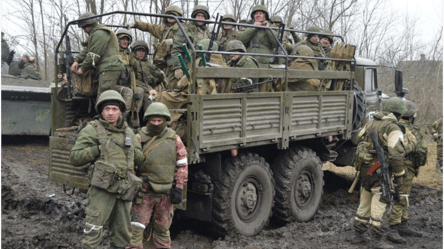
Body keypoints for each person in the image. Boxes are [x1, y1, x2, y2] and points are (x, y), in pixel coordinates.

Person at [69, 90, 143, 249]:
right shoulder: (92, 130)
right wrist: (97, 149)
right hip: (101, 190)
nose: (111, 113)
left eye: (114, 109)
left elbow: (139, 158)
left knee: (122, 235)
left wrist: (132, 151)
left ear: (120, 111)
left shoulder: (128, 132)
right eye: (107, 109)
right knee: (93, 231)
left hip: (123, 189)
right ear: (101, 111)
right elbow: (75, 157)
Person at [126, 102, 188, 249]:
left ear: (165, 121)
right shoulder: (139, 137)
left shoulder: (174, 139)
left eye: (159, 121)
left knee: (162, 229)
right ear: (148, 120)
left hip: (166, 193)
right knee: (135, 230)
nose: (156, 123)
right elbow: (130, 164)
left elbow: (183, 164)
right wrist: (133, 187)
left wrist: (179, 187)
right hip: (144, 191)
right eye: (153, 120)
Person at [351, 97, 407, 249]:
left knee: (364, 201)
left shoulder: (371, 122)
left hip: (365, 170)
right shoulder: (393, 127)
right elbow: (396, 155)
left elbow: (357, 139)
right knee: (381, 202)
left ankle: (358, 235)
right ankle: (376, 239)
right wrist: (399, 174)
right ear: (399, 114)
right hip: (380, 171)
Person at [71, 12, 127, 110]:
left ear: (91, 24)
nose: (84, 30)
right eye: (82, 28)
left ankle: (104, 120)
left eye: (85, 27)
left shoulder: (100, 33)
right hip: (107, 67)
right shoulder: (95, 34)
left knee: (104, 97)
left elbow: (94, 54)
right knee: (105, 94)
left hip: (109, 67)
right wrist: (77, 60)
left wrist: (83, 68)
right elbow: (88, 49)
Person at [386, 100, 424, 244]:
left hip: (409, 168)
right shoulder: (402, 129)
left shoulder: (403, 128)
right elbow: (401, 150)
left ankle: (403, 223)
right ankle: (394, 228)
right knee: (400, 197)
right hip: (404, 168)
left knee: (404, 196)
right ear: (412, 115)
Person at [126, 5, 187, 90]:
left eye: (174, 15)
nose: (171, 17)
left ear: (179, 17)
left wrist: (173, 41)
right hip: (164, 62)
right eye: (169, 14)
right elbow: (149, 27)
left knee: (176, 86)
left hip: (178, 62)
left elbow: (188, 41)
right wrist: (136, 24)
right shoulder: (163, 29)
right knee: (164, 84)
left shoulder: (184, 29)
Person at [237, 4, 277, 92]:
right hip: (250, 60)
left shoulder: (272, 28)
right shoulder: (248, 27)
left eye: (260, 13)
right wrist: (253, 27)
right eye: (256, 14)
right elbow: (240, 40)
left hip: (265, 62)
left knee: (264, 89)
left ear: (265, 16)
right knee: (247, 86)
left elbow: (276, 43)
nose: (257, 15)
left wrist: (267, 28)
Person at [132, 40, 166, 122]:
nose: (141, 53)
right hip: (136, 87)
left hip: (149, 89)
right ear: (135, 51)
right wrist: (146, 87)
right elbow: (131, 78)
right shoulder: (132, 62)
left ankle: (151, 122)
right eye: (139, 51)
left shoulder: (148, 64)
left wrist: (153, 80)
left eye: (143, 51)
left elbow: (160, 75)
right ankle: (136, 121)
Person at [116, 29, 143, 128]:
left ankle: (134, 118)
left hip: (126, 83)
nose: (125, 41)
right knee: (128, 92)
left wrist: (134, 60)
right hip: (114, 84)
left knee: (140, 91)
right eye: (122, 39)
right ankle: (121, 119)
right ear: (118, 40)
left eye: (127, 40)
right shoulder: (113, 52)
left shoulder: (128, 54)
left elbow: (136, 69)